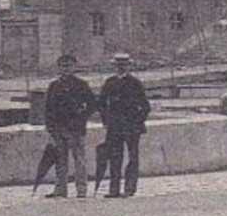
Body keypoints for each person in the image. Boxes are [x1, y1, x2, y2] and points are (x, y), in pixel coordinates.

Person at [98, 52, 152, 197]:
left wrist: (137, 122)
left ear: (128, 66)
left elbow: (145, 107)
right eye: (118, 65)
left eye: (124, 65)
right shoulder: (110, 82)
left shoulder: (135, 83)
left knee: (132, 158)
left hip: (131, 127)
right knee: (115, 158)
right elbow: (101, 104)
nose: (121, 68)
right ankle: (114, 189)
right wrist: (106, 121)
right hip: (115, 127)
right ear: (115, 66)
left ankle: (129, 188)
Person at [42, 53, 96, 198]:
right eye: (63, 66)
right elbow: (48, 108)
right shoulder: (54, 86)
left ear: (74, 67)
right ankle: (60, 189)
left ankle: (82, 190)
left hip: (76, 129)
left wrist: (81, 118)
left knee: (79, 160)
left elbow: (92, 104)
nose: (66, 69)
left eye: (68, 66)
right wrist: (50, 127)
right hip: (59, 129)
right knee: (60, 161)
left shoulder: (81, 85)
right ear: (59, 68)